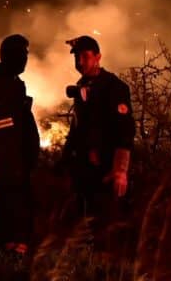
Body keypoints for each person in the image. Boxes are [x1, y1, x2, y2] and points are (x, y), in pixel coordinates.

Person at [61, 35, 135, 218]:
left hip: (105, 171)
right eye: (76, 57)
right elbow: (79, 127)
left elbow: (124, 130)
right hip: (84, 171)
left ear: (98, 57)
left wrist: (120, 171)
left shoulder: (114, 87)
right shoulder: (83, 86)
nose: (80, 62)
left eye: (85, 56)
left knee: (104, 225)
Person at [0, 34, 40, 255]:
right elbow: (2, 131)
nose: (25, 58)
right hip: (11, 164)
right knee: (10, 206)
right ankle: (7, 254)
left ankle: (11, 250)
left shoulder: (11, 83)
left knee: (16, 205)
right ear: (8, 56)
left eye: (26, 54)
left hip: (19, 163)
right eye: (21, 54)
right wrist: (14, 164)